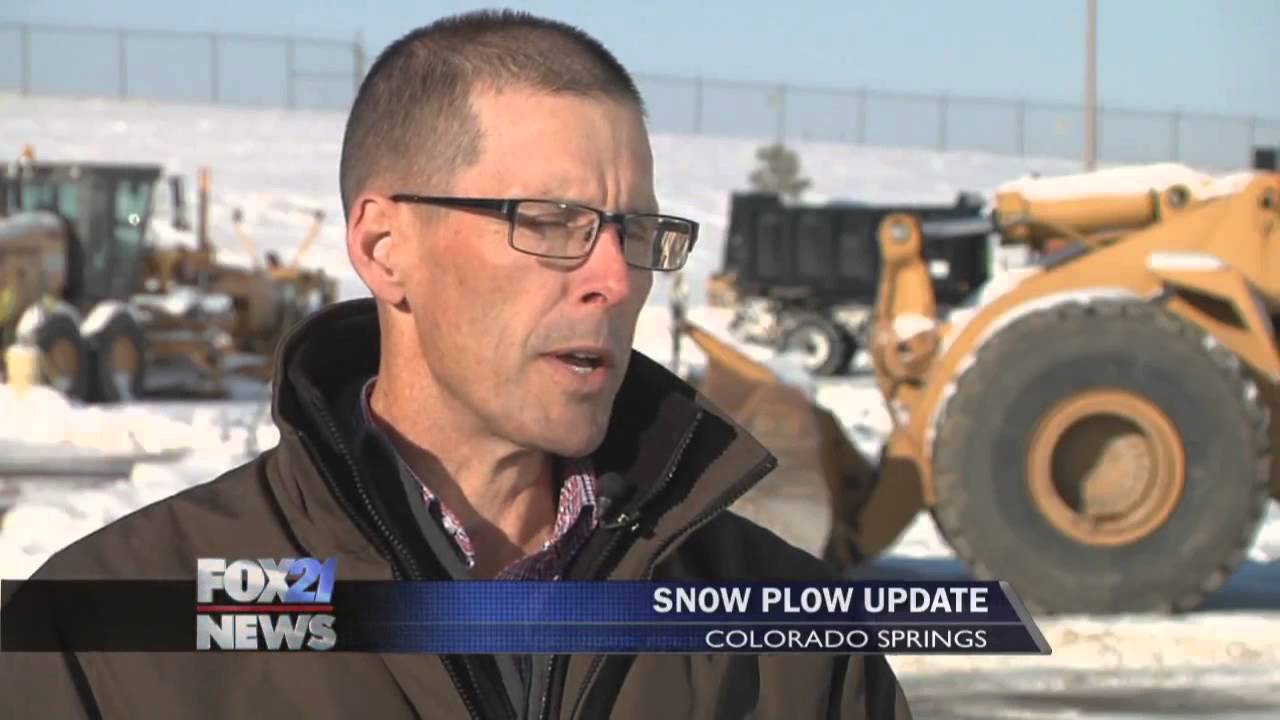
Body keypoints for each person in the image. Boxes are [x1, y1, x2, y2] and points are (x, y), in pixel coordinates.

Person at [1, 10, 912, 719]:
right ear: (385, 246)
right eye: (550, 221)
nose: (614, 277)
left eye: (635, 230)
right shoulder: (117, 631)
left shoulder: (792, 640)